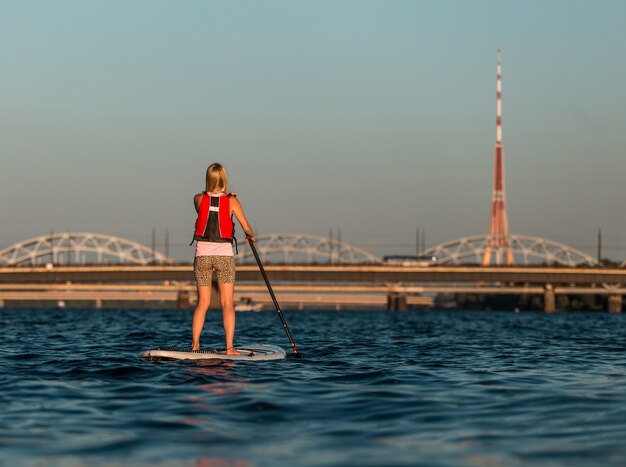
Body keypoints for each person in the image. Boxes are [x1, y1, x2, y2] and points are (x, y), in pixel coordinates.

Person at [191, 163, 255, 354]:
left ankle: (195, 345)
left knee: (202, 303)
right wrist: (250, 235)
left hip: (202, 255)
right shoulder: (233, 202)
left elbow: (206, 212)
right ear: (224, 179)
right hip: (224, 257)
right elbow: (246, 227)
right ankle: (229, 348)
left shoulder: (198, 199)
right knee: (227, 303)